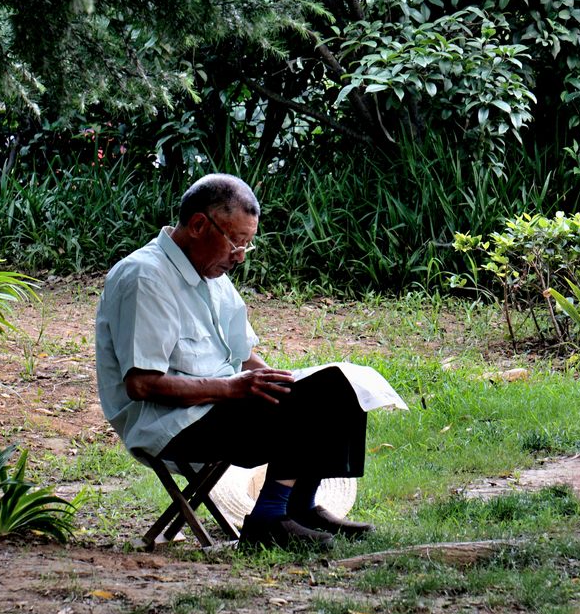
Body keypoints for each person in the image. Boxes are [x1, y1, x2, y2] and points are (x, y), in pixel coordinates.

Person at [95, 173, 374, 549]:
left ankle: (301, 505)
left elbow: (243, 356)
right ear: (198, 225)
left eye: (247, 244)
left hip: (218, 405)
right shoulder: (146, 277)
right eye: (236, 241)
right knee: (296, 403)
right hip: (169, 423)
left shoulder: (212, 275)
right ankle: (268, 521)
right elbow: (142, 384)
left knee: (338, 390)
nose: (240, 255)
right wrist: (232, 388)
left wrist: (292, 381)